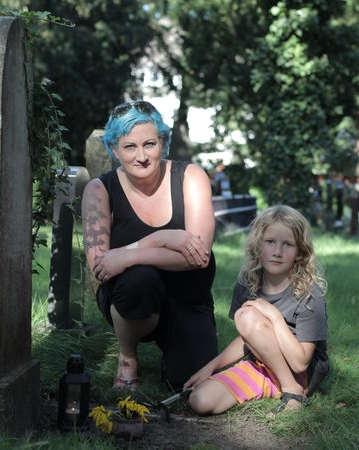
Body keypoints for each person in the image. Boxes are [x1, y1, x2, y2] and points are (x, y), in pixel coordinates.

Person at [81, 100, 218, 391]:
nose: (141, 156)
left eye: (149, 144)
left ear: (163, 142)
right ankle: (128, 358)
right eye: (129, 147)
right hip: (132, 296)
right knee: (140, 278)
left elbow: (198, 257)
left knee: (187, 383)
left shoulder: (191, 177)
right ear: (114, 150)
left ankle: (176, 343)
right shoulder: (99, 190)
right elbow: (101, 267)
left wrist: (130, 254)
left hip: (187, 294)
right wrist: (161, 240)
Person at [184, 205, 329, 415]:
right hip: (264, 362)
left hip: (302, 374)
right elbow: (248, 337)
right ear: (257, 245)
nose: (277, 252)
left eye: (287, 244)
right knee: (200, 400)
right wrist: (211, 367)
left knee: (248, 315)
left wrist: (274, 316)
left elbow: (300, 363)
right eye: (270, 242)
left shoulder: (309, 294)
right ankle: (278, 385)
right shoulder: (247, 283)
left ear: (299, 253)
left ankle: (293, 391)